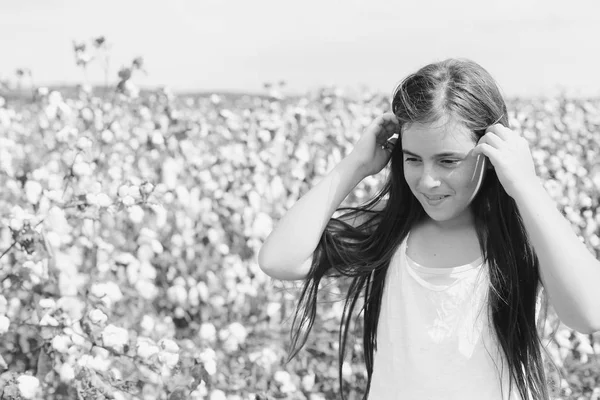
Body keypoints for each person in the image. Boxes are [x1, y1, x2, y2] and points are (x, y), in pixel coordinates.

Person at [257, 58, 600, 400]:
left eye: (449, 161)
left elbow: (588, 314)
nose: (428, 180)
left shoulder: (520, 238)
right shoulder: (391, 232)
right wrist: (355, 164)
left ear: (494, 152)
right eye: (412, 159)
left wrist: (527, 185)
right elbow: (279, 260)